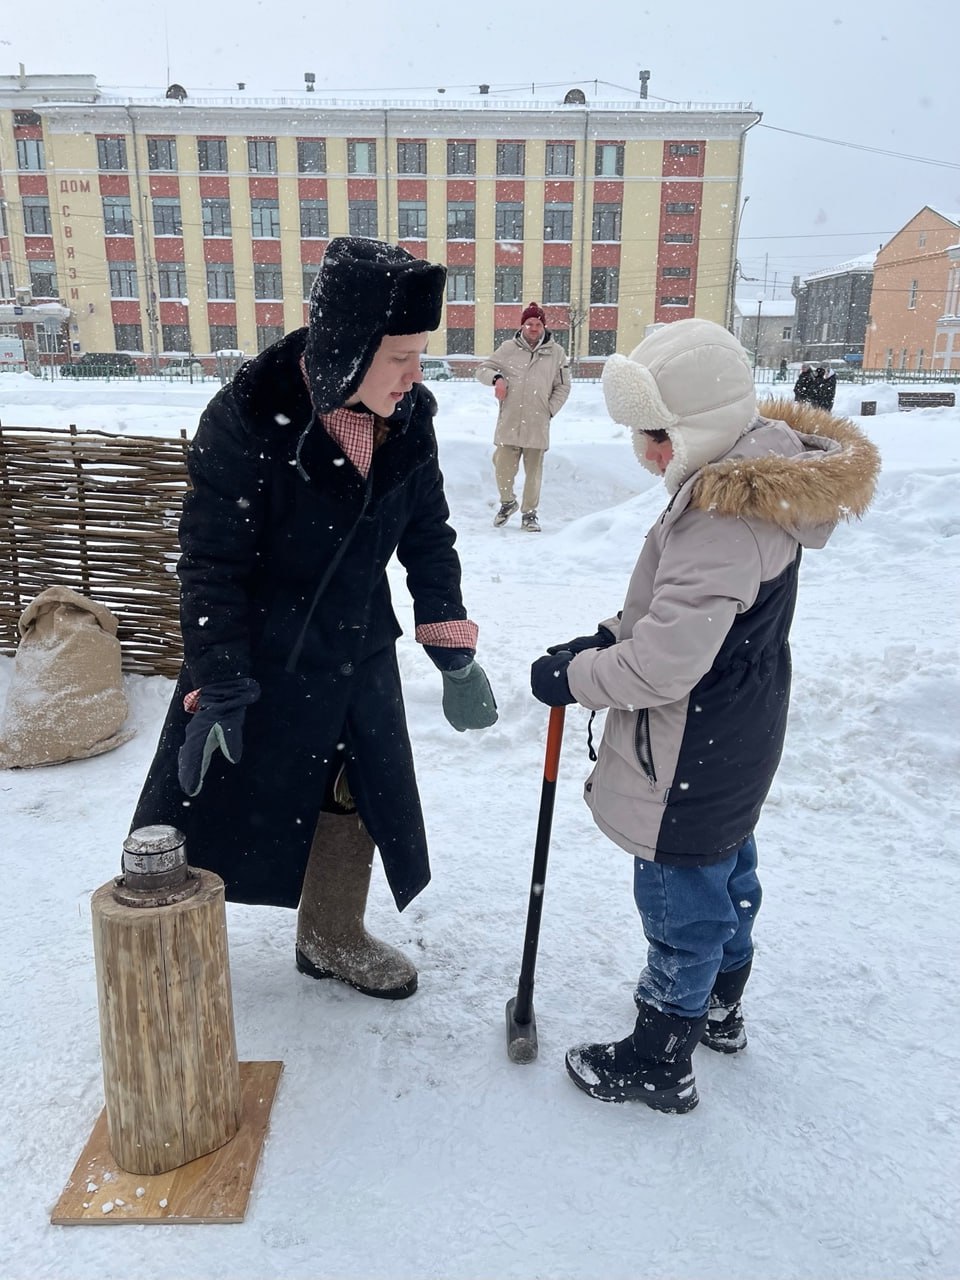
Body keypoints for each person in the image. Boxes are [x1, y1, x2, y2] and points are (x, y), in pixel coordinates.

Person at [132, 237, 498, 1000]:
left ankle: (331, 936)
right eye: (400, 356)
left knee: (358, 791)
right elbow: (210, 565)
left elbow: (428, 536)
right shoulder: (247, 419)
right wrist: (221, 683)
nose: (415, 374)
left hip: (358, 647)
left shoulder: (411, 419)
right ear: (349, 348)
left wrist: (450, 643)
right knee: (209, 801)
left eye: (421, 353)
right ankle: (162, 950)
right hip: (259, 657)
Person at [530, 318, 879, 1113]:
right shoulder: (759, 476)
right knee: (726, 866)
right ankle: (720, 1004)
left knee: (679, 895)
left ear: (701, 426)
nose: (647, 454)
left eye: (656, 435)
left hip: (689, 743)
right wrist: (608, 637)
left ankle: (662, 1055)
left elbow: (663, 666)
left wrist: (577, 677)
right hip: (738, 729)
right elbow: (683, 621)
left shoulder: (721, 517)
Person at [476, 301, 571, 533]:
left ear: (543, 326)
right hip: (510, 420)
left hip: (537, 422)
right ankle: (508, 503)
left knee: (534, 473)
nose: (533, 328)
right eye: (529, 323)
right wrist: (497, 378)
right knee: (503, 467)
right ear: (522, 326)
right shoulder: (508, 348)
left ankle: (529, 514)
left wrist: (549, 410)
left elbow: (563, 386)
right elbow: (482, 369)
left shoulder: (556, 353)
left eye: (537, 324)